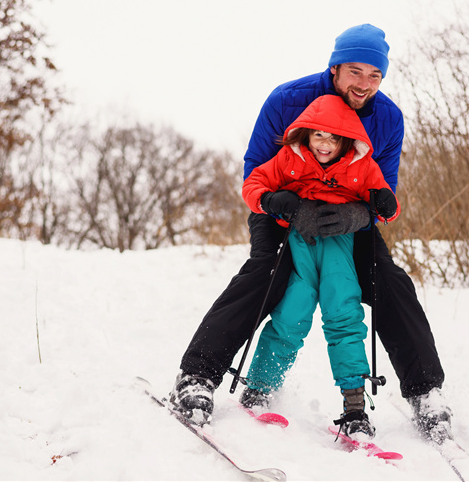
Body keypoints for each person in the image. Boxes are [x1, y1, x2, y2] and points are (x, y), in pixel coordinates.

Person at [169, 23, 452, 444]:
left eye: (375, 75)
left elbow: (383, 190)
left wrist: (359, 217)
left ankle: (426, 392)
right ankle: (196, 376)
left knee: (389, 281)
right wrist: (287, 206)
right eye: (356, 71)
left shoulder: (387, 118)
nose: (365, 84)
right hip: (282, 210)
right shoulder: (288, 101)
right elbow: (256, 172)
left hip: (348, 219)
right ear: (335, 68)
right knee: (267, 272)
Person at [240, 94, 399, 440]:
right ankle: (259, 387)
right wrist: (270, 199)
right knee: (291, 312)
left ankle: (355, 406)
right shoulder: (288, 158)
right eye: (318, 136)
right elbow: (253, 184)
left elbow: (387, 203)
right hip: (299, 242)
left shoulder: (361, 166)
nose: (325, 145)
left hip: (339, 246)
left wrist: (386, 203)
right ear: (305, 135)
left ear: (346, 141)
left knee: (343, 310)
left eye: (333, 138)